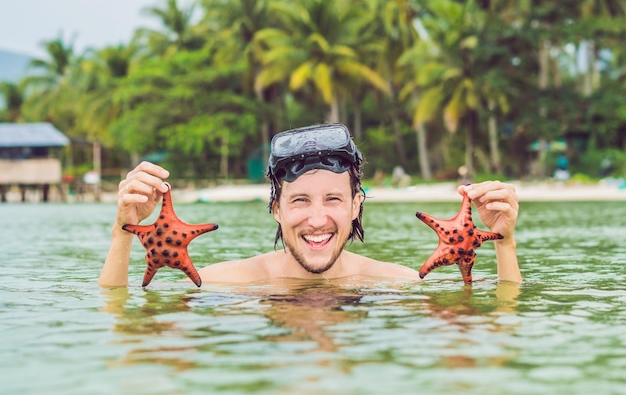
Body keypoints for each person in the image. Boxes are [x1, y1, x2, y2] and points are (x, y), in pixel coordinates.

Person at [99, 123, 521, 287]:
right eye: (300, 200)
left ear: (356, 206)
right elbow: (122, 322)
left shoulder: (397, 282)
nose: (317, 219)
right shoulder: (226, 282)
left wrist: (504, 242)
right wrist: (123, 232)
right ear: (277, 209)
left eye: (333, 199)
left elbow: (498, 333)